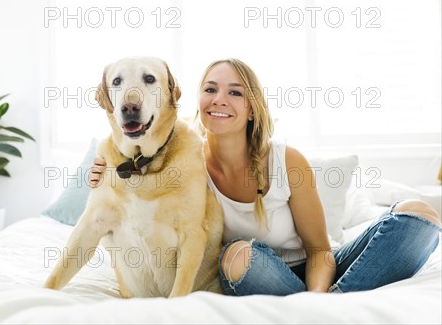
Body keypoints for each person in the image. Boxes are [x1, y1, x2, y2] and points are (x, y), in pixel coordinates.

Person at [89, 58, 441, 295]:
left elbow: (320, 250)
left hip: (321, 267)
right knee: (239, 255)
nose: (219, 100)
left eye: (235, 92)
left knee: (418, 213)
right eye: (210, 89)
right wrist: (104, 170)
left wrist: (316, 304)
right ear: (197, 100)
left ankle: (330, 305)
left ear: (252, 108)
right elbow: (134, 178)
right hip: (251, 270)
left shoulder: (287, 160)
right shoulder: (185, 163)